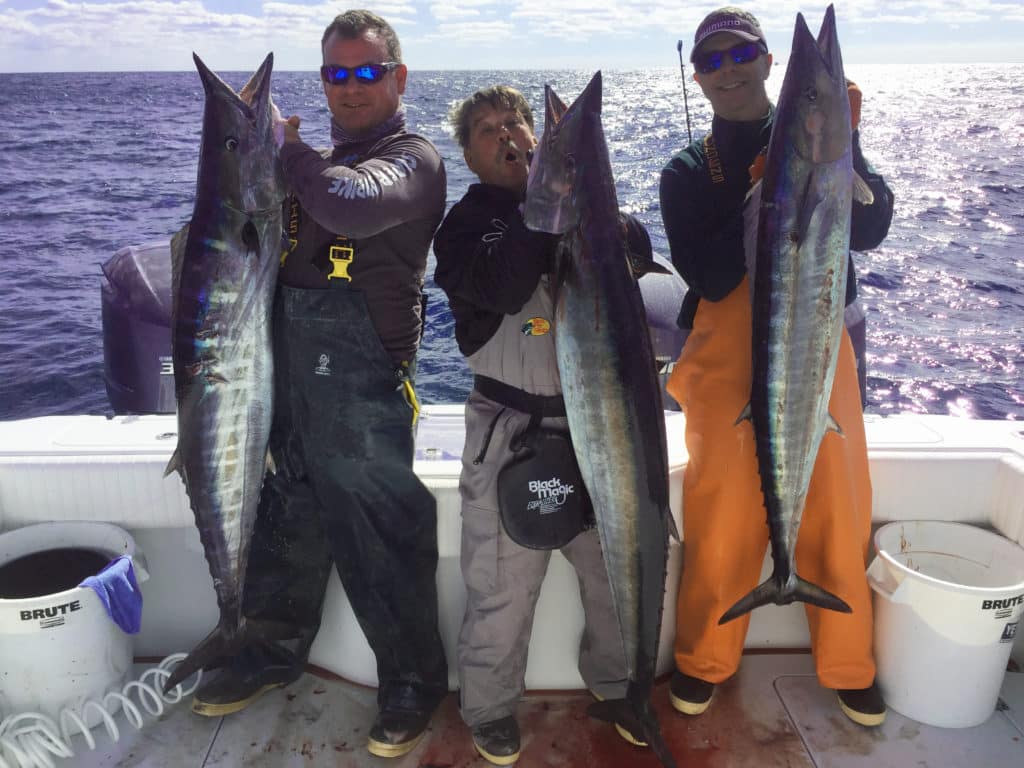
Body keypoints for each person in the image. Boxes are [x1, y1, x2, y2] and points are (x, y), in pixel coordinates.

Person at [189, 10, 449, 760]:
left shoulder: (412, 158)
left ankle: (410, 682)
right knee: (285, 515)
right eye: (336, 73)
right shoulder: (316, 162)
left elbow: (346, 204)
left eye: (367, 72)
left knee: (380, 533)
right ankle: (266, 650)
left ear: (398, 78)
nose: (350, 87)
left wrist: (288, 149)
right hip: (285, 376)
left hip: (364, 389)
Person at [659, 7, 894, 727]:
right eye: (711, 61)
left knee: (835, 508)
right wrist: (765, 188)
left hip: (819, 349)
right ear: (697, 77)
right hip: (726, 363)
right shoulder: (690, 170)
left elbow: (875, 224)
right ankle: (705, 659)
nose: (727, 70)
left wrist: (845, 159)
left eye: (741, 55)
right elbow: (706, 271)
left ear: (767, 62)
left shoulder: (827, 137)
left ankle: (849, 664)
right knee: (722, 515)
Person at [433, 86, 649, 766]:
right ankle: (491, 709)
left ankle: (620, 688)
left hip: (603, 428)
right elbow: (500, 287)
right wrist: (547, 200)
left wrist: (616, 220)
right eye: (488, 130)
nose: (509, 136)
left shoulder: (583, 206)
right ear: (469, 155)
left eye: (517, 122)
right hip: (510, 427)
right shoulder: (466, 228)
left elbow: (637, 263)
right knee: (501, 590)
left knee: (618, 579)